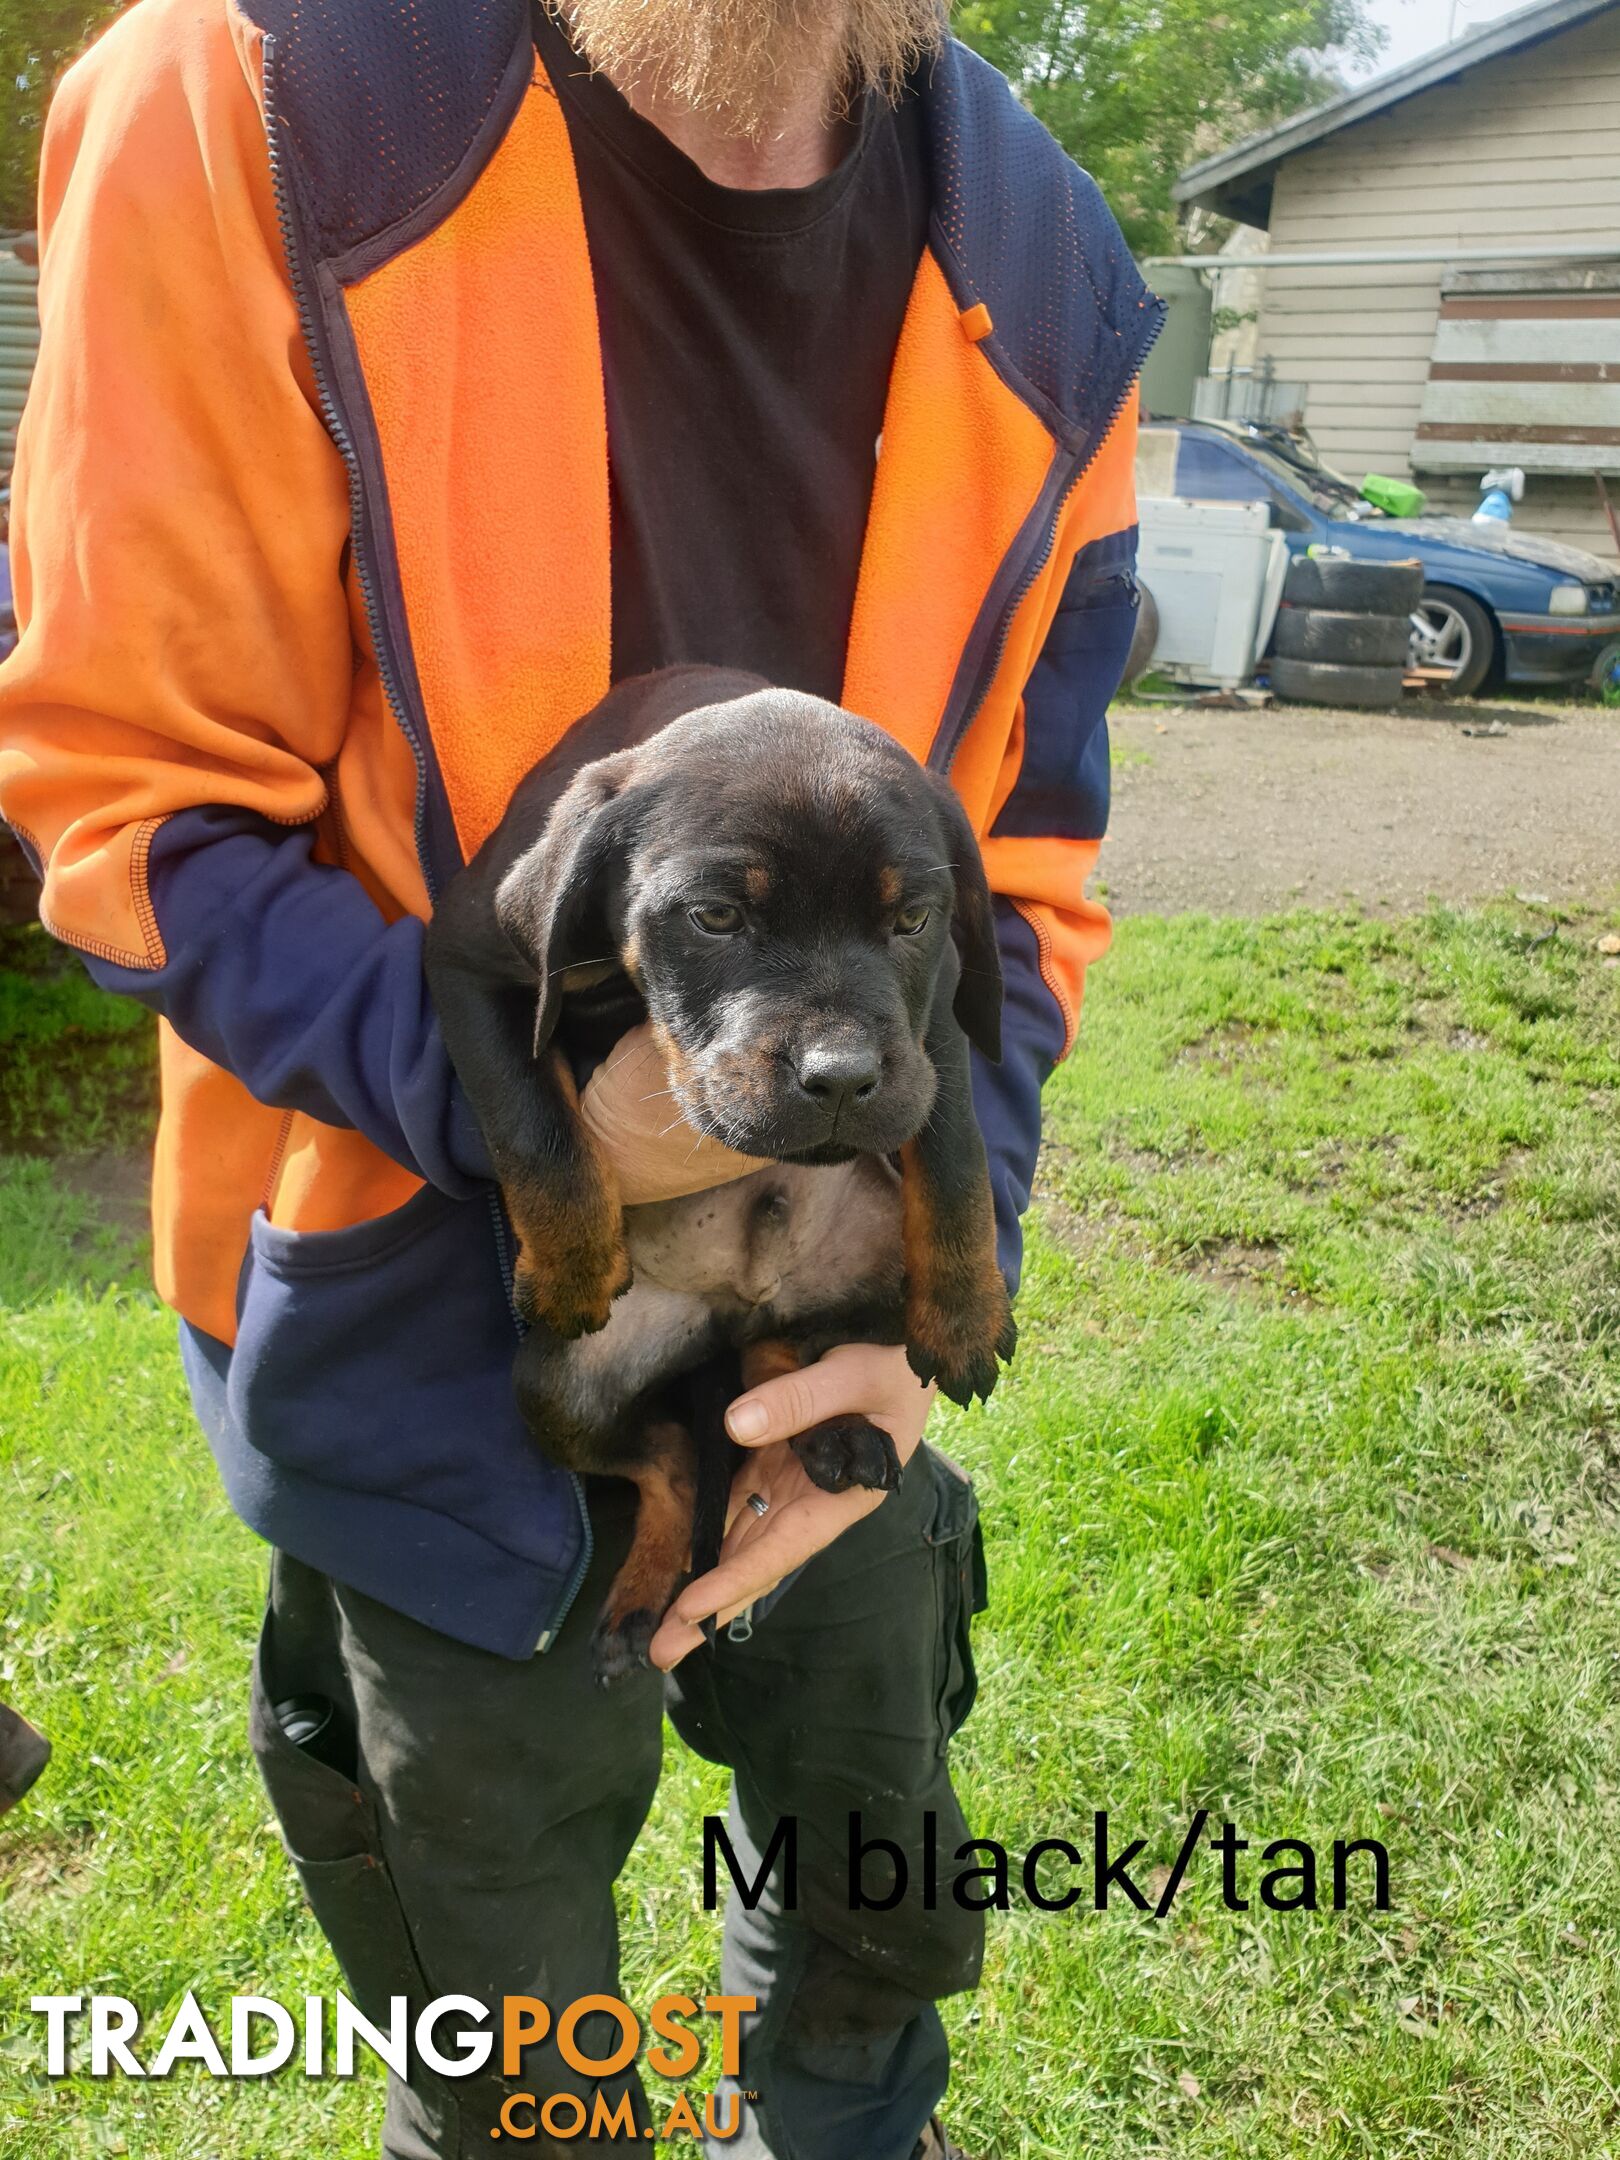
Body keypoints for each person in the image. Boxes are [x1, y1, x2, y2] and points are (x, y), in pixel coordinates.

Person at [0, 0, 1157, 2152]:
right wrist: (552, 1134)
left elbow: (1027, 871)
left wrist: (918, 1285)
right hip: (411, 1334)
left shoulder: (1050, 256)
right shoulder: (266, 91)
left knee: (868, 1914)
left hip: (838, 1333)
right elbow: (125, 808)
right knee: (514, 2021)